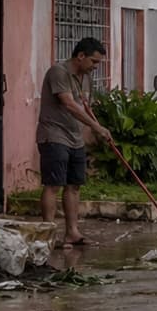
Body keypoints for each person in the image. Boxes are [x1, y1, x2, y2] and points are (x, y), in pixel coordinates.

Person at [37, 38, 111, 247]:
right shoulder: (58, 72)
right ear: (80, 56)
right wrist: (96, 127)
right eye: (94, 62)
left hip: (75, 137)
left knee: (74, 185)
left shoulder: (84, 77)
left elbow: (85, 106)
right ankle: (48, 235)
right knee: (53, 185)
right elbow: (69, 104)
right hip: (54, 135)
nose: (95, 67)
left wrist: (98, 128)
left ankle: (72, 232)